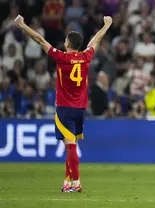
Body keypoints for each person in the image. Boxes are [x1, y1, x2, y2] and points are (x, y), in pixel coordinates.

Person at [14, 14, 113, 193]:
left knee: (70, 146)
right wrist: (106, 25)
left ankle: (76, 182)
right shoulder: (86, 57)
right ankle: (67, 182)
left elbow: (39, 39)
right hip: (81, 109)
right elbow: (96, 39)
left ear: (67, 44)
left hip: (65, 108)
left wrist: (22, 25)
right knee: (71, 145)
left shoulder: (61, 57)